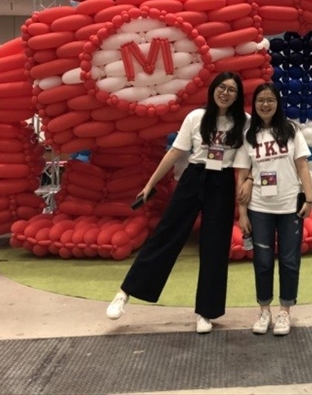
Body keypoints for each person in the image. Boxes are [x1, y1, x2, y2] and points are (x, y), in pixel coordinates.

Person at [106, 72, 249, 334]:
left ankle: (206, 312)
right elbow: (175, 152)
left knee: (215, 246)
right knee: (167, 234)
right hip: (194, 177)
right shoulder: (196, 117)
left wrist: (243, 208)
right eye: (222, 87)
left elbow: (242, 166)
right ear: (213, 89)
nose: (225, 93)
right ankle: (124, 293)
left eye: (232, 90)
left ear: (237, 96)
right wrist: (150, 184)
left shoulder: (244, 122)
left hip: (222, 182)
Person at [234, 83, 312, 336]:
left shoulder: (290, 130)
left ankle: (285, 311)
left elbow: (302, 166)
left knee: (290, 260)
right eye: (261, 100)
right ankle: (264, 310)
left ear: (277, 103)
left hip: (290, 207)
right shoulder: (248, 134)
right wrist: (243, 213)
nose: (265, 105)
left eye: (270, 100)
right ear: (254, 104)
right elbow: (242, 175)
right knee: (263, 260)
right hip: (259, 207)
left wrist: (309, 199)